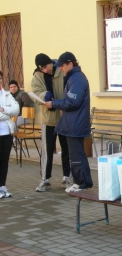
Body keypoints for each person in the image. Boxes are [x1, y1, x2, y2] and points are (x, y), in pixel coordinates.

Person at [44, 52, 93, 192]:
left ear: (70, 63)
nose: (60, 69)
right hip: (73, 123)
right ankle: (81, 182)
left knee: (77, 155)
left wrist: (55, 104)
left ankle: (82, 183)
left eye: (63, 66)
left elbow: (73, 102)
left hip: (75, 124)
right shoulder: (74, 77)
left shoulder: (77, 78)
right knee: (75, 154)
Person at [31, 53, 71, 192]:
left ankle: (67, 177)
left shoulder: (60, 70)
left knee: (66, 148)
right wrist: (44, 95)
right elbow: (36, 92)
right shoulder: (38, 76)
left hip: (63, 117)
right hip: (48, 118)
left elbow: (69, 87)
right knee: (47, 150)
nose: (45, 70)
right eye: (42, 69)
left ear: (50, 63)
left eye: (46, 67)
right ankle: (45, 179)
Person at [0, 71, 20, 198]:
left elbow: (16, 110)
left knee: (4, 161)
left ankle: (2, 186)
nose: (0, 80)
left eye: (0, 78)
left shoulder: (7, 94)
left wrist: (4, 110)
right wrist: (7, 114)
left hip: (7, 132)